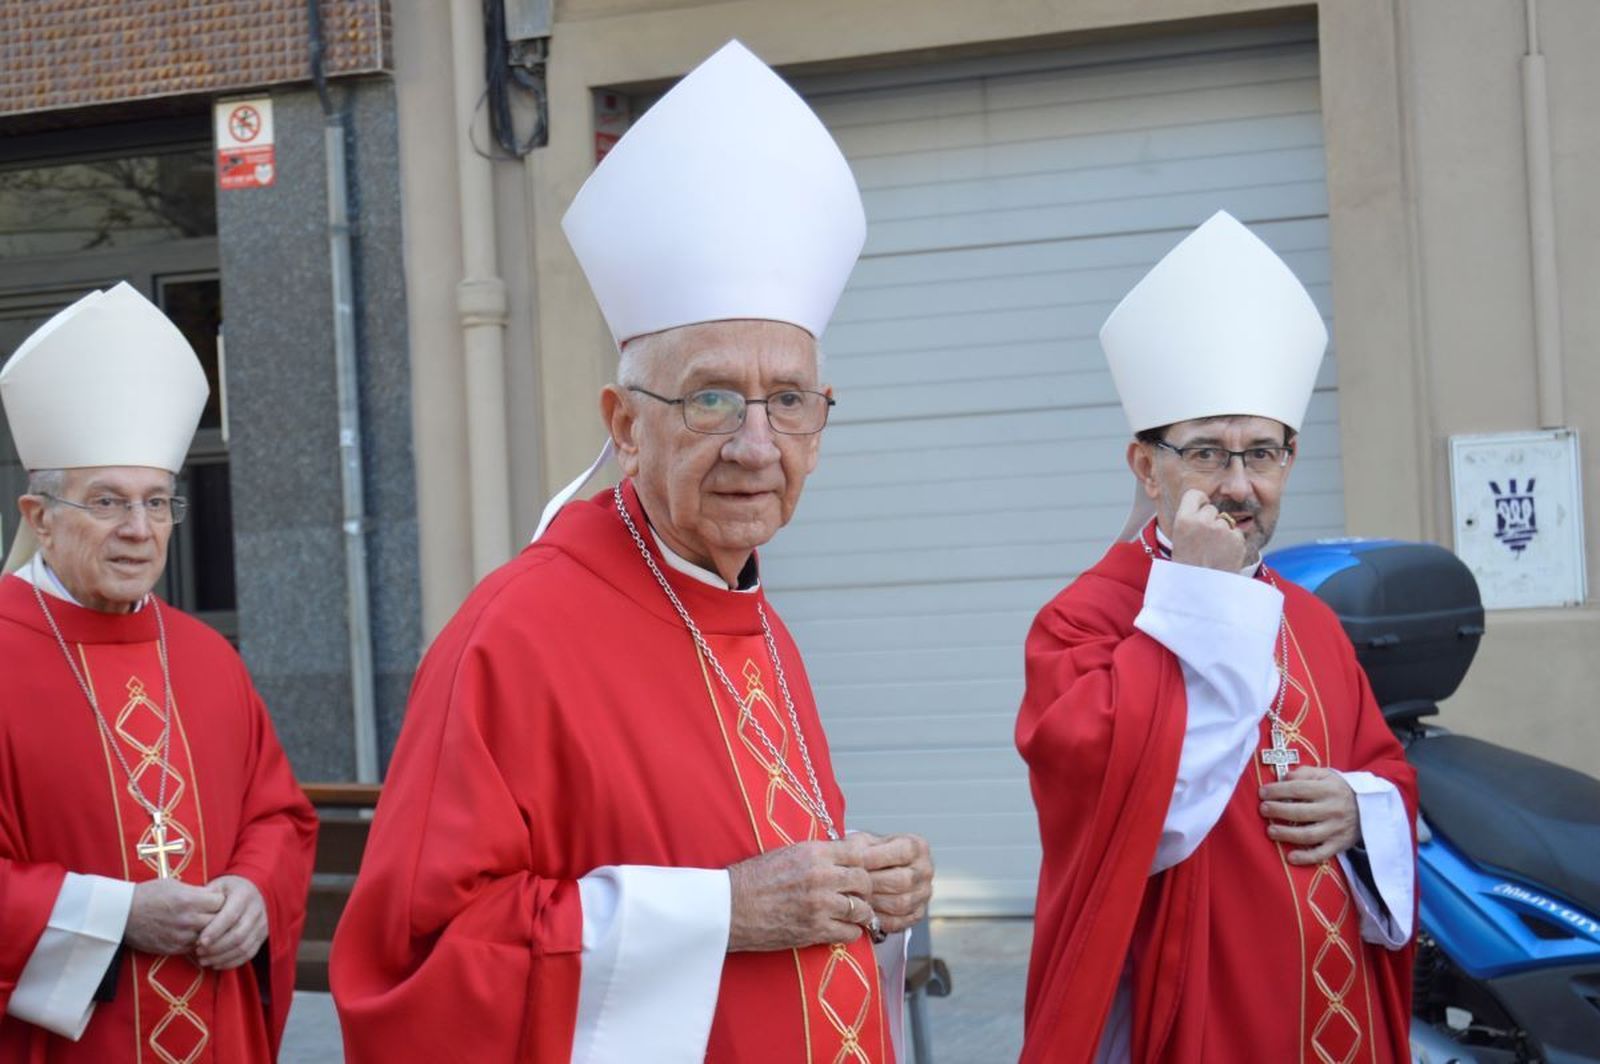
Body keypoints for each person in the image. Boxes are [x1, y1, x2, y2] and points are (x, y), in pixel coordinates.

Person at [330, 40, 933, 1063]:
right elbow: (416, 965)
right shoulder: (513, 637)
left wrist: (868, 889)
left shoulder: (761, 626)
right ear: (622, 422)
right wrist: (716, 914)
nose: (755, 444)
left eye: (789, 398)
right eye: (709, 396)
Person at [1015, 212, 1418, 1062]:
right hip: (1198, 1008)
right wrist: (1196, 596)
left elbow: (1388, 770)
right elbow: (1128, 816)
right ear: (1145, 466)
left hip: (1336, 1012)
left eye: (1262, 454)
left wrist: (1363, 806)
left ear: (1290, 459)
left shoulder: (1310, 620)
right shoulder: (1084, 621)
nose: (1239, 486)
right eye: (1206, 454)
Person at [0, 283, 318, 1060]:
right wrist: (112, 916)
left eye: (158, 502)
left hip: (220, 1024)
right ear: (39, 518)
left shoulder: (207, 659)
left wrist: (253, 892)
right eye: (107, 502)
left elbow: (278, 818)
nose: (140, 531)